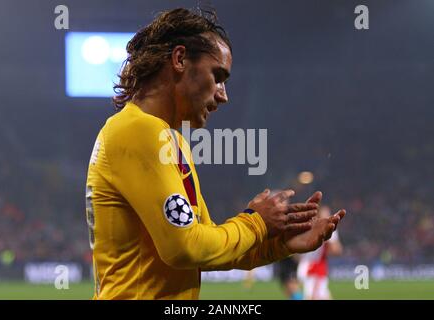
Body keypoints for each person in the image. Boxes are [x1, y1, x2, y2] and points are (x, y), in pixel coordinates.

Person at [85, 7, 346, 300]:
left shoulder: (172, 142)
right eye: (217, 75)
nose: (223, 94)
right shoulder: (136, 130)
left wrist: (280, 244)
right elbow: (184, 247)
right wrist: (256, 221)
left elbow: (207, 245)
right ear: (180, 59)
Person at [297, 205, 344, 300]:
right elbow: (336, 250)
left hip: (315, 267)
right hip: (312, 268)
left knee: (321, 296)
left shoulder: (309, 226)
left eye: (328, 214)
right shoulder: (324, 229)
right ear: (318, 216)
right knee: (314, 297)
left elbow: (337, 250)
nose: (328, 217)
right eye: (325, 215)